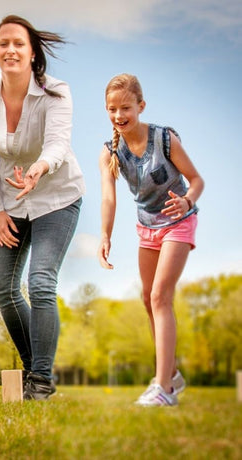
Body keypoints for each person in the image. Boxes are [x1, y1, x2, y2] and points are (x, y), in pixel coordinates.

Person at [0, 15, 85, 400]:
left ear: (32, 51)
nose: (11, 50)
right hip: (9, 202)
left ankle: (40, 381)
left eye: (19, 43)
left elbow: (57, 142)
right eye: (3, 43)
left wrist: (38, 169)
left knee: (40, 282)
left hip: (57, 196)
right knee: (2, 288)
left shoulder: (57, 92)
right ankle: (34, 368)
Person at [98, 73, 204, 406]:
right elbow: (109, 199)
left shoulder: (165, 140)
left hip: (179, 222)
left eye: (125, 107)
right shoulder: (109, 153)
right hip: (147, 229)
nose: (119, 115)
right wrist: (105, 235)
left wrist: (187, 200)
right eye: (112, 109)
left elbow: (196, 179)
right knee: (148, 299)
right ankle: (170, 373)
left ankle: (164, 389)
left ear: (141, 106)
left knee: (160, 296)